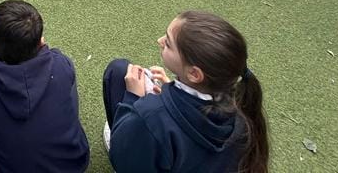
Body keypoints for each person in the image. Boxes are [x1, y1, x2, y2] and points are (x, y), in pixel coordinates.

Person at [102, 10, 269, 173]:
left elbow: (122, 159)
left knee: (119, 70)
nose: (160, 40)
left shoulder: (149, 115)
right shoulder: (243, 109)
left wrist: (132, 97)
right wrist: (172, 91)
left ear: (194, 74)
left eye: (168, 43)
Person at [0, 0, 90, 173]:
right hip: (74, 167)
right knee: (65, 73)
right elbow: (52, 57)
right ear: (41, 42)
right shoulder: (60, 63)